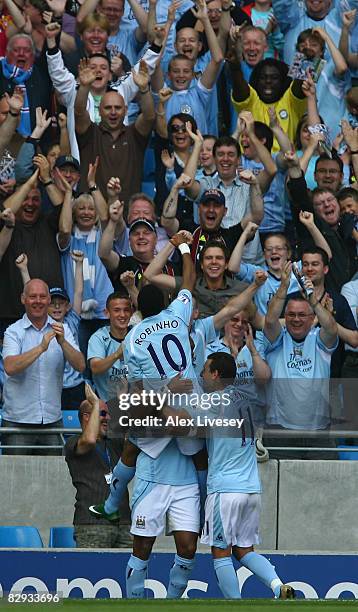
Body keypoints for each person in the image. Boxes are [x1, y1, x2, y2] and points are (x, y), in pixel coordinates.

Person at [184, 351, 294, 599]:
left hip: (225, 489)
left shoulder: (214, 402)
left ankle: (235, 604)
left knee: (220, 550)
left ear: (215, 374)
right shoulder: (247, 400)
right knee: (244, 549)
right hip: (251, 488)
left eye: (204, 371)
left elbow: (186, 423)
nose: (201, 376)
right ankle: (278, 586)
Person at [262, 261, 339, 459]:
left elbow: (331, 328)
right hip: (280, 429)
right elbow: (270, 320)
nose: (296, 319)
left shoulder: (318, 340)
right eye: (291, 315)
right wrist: (284, 286)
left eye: (302, 315)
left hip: (318, 431)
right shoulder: (276, 340)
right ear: (285, 316)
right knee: (281, 489)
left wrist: (313, 300)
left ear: (312, 317)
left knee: (324, 486)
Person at [2, 278, 85, 455]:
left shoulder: (63, 329)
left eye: (42, 296)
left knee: (55, 479)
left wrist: (63, 343)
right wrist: (40, 348)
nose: (38, 301)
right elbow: (10, 366)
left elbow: (80, 366)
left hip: (52, 420)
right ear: (23, 299)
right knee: (15, 480)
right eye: (33, 296)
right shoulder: (13, 331)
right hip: (18, 422)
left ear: (48, 300)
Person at [14, 251, 87, 410]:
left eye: (61, 303)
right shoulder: (40, 323)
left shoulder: (72, 320)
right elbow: (30, 293)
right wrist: (23, 269)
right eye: (52, 303)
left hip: (75, 386)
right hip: (52, 387)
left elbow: (79, 292)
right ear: (45, 305)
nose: (56, 306)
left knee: (76, 427)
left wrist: (79, 264)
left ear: (67, 307)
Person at [74, 58, 155, 201]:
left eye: (117, 108)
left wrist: (144, 89)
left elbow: (149, 117)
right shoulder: (90, 133)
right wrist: (84, 87)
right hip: (92, 214)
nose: (113, 112)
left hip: (127, 215)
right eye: (107, 108)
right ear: (99, 111)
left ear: (126, 110)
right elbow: (79, 112)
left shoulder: (134, 135)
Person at [65, 383, 132, 547]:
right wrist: (95, 403)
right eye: (103, 413)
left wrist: (122, 400)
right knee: (95, 572)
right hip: (92, 523)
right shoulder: (74, 443)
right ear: (87, 416)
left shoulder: (114, 443)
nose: (108, 418)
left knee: (128, 572)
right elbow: (89, 439)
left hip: (124, 523)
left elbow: (130, 428)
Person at [0, 169, 64, 334]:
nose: (30, 203)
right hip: (9, 315)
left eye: (35, 199)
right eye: (25, 198)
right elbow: (3, 211)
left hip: (46, 316)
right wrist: (30, 182)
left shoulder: (48, 222)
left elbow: (62, 208)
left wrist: (47, 179)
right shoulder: (7, 225)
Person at [88, 292, 133, 401]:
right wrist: (117, 354)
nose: (122, 315)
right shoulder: (98, 337)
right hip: (107, 405)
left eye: (126, 310)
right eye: (117, 310)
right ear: (107, 313)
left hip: (134, 404)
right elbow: (95, 367)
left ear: (131, 313)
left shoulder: (137, 335)